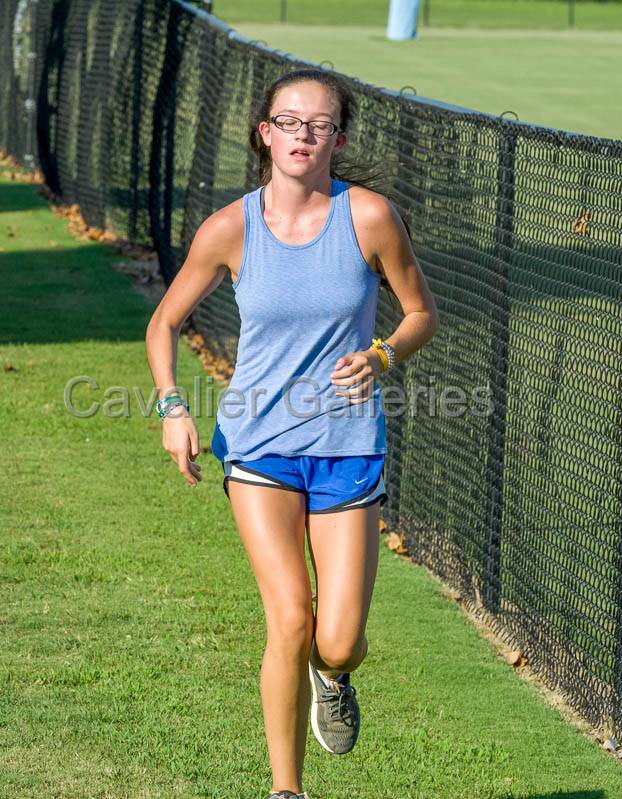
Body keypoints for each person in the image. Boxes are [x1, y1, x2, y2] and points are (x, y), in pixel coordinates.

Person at [145, 69, 438, 799]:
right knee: (291, 616)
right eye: (289, 121)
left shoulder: (369, 218)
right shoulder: (230, 228)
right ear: (264, 133)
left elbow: (420, 313)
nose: (303, 134)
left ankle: (333, 676)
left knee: (335, 637)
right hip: (259, 444)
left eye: (319, 124)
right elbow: (164, 323)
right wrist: (172, 408)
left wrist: (383, 354)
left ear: (337, 138)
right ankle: (286, 790)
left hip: (348, 447)